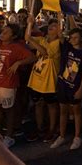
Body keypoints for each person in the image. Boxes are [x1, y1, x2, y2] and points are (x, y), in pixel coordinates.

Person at [0, 24, 35, 148]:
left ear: (14, 36)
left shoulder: (17, 47)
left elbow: (33, 57)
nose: (3, 32)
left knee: (8, 110)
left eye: (7, 31)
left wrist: (19, 62)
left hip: (8, 83)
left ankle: (9, 137)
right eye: (3, 30)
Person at [50, 28, 82, 150]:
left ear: (81, 38)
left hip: (75, 86)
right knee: (63, 111)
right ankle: (62, 136)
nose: (73, 40)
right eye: (71, 37)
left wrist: (80, 89)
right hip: (63, 84)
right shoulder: (67, 48)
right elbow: (60, 35)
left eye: (76, 37)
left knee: (76, 112)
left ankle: (77, 136)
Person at [25, 14, 61, 143]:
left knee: (51, 105)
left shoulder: (57, 43)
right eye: (50, 26)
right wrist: (29, 23)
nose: (51, 27)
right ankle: (40, 127)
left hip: (50, 80)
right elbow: (27, 39)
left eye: (55, 26)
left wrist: (33, 41)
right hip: (37, 77)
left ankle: (52, 129)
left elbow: (46, 52)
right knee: (38, 104)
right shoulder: (42, 39)